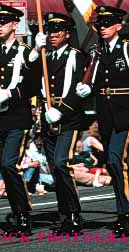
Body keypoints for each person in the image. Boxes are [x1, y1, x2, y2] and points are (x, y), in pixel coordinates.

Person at [76, 5, 129, 237]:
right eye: (100, 25)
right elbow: (96, 80)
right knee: (113, 165)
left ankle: (124, 215)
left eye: (107, 24)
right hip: (105, 115)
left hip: (125, 114)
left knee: (117, 162)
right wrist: (87, 89)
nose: (103, 28)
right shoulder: (98, 51)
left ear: (119, 25)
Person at [0, 4, 38, 234]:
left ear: (15, 24)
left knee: (9, 164)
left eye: (4, 22)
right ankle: (17, 212)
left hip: (18, 118)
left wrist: (11, 93)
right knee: (4, 169)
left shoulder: (25, 52)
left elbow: (33, 84)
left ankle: (24, 213)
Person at [33, 12, 89, 234]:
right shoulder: (45, 56)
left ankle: (75, 213)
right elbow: (30, 78)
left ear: (67, 33)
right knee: (55, 168)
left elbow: (81, 90)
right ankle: (64, 214)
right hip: (47, 116)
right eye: (50, 31)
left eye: (57, 31)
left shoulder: (77, 56)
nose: (52, 34)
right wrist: (35, 52)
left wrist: (61, 110)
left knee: (61, 162)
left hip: (69, 118)